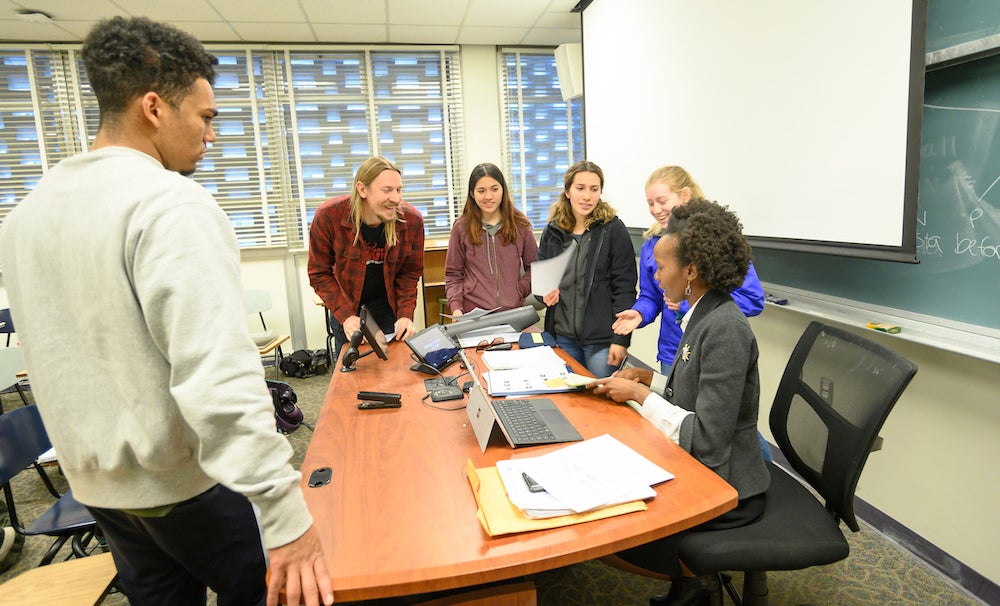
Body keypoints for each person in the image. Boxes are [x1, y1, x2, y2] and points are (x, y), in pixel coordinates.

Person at [0, 17, 332, 606]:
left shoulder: (26, 214)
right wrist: (284, 514)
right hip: (191, 488)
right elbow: (219, 376)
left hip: (102, 490)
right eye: (204, 118)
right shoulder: (169, 204)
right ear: (154, 107)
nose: (211, 137)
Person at [588, 199, 769, 606]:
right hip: (712, 467)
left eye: (661, 266)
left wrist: (639, 396)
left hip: (731, 486)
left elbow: (706, 437)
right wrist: (651, 380)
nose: (655, 274)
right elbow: (698, 392)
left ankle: (696, 584)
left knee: (618, 525)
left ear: (691, 272)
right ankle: (691, 584)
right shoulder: (703, 313)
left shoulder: (725, 329)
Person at [612, 166, 764, 375]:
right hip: (672, 351)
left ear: (685, 195)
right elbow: (652, 295)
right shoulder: (653, 245)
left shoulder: (716, 239)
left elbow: (751, 299)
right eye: (650, 203)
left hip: (712, 348)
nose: (656, 209)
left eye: (662, 201)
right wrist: (640, 313)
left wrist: (688, 305)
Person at [308, 156, 425, 361]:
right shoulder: (329, 217)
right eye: (387, 190)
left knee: (393, 371)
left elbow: (409, 273)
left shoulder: (411, 221)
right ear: (362, 189)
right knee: (351, 377)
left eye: (399, 190)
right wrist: (345, 316)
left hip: (388, 309)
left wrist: (405, 315)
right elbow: (319, 273)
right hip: (346, 307)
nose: (396, 198)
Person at [537, 160, 637, 377]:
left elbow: (625, 289)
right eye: (580, 188)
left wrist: (621, 340)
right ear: (567, 191)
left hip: (602, 341)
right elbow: (540, 285)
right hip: (561, 337)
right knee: (571, 405)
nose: (587, 196)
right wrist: (544, 293)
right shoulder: (553, 231)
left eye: (594, 189)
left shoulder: (613, 230)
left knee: (604, 405)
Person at [445, 163, 537, 316]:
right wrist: (456, 308)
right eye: (481, 191)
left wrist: (519, 290)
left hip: (512, 314)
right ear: (472, 194)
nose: (488, 196)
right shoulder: (461, 227)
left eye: (494, 189)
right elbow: (453, 274)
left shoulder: (520, 225)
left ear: (503, 190)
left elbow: (534, 267)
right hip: (473, 315)